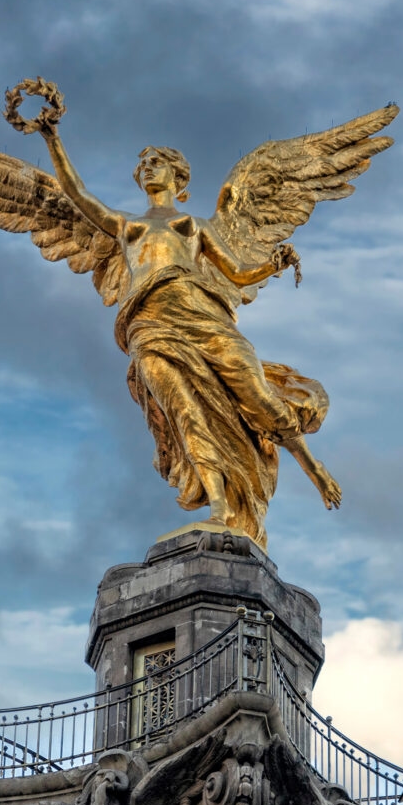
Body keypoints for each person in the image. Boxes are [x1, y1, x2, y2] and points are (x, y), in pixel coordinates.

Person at [39, 124, 341, 547]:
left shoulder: (193, 226)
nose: (147, 168)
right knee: (185, 413)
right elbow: (77, 194)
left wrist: (271, 265)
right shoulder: (126, 226)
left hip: (203, 317)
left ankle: (312, 466)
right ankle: (219, 508)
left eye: (156, 162)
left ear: (178, 177)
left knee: (255, 393)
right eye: (143, 164)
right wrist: (51, 137)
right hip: (150, 325)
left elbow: (237, 273)